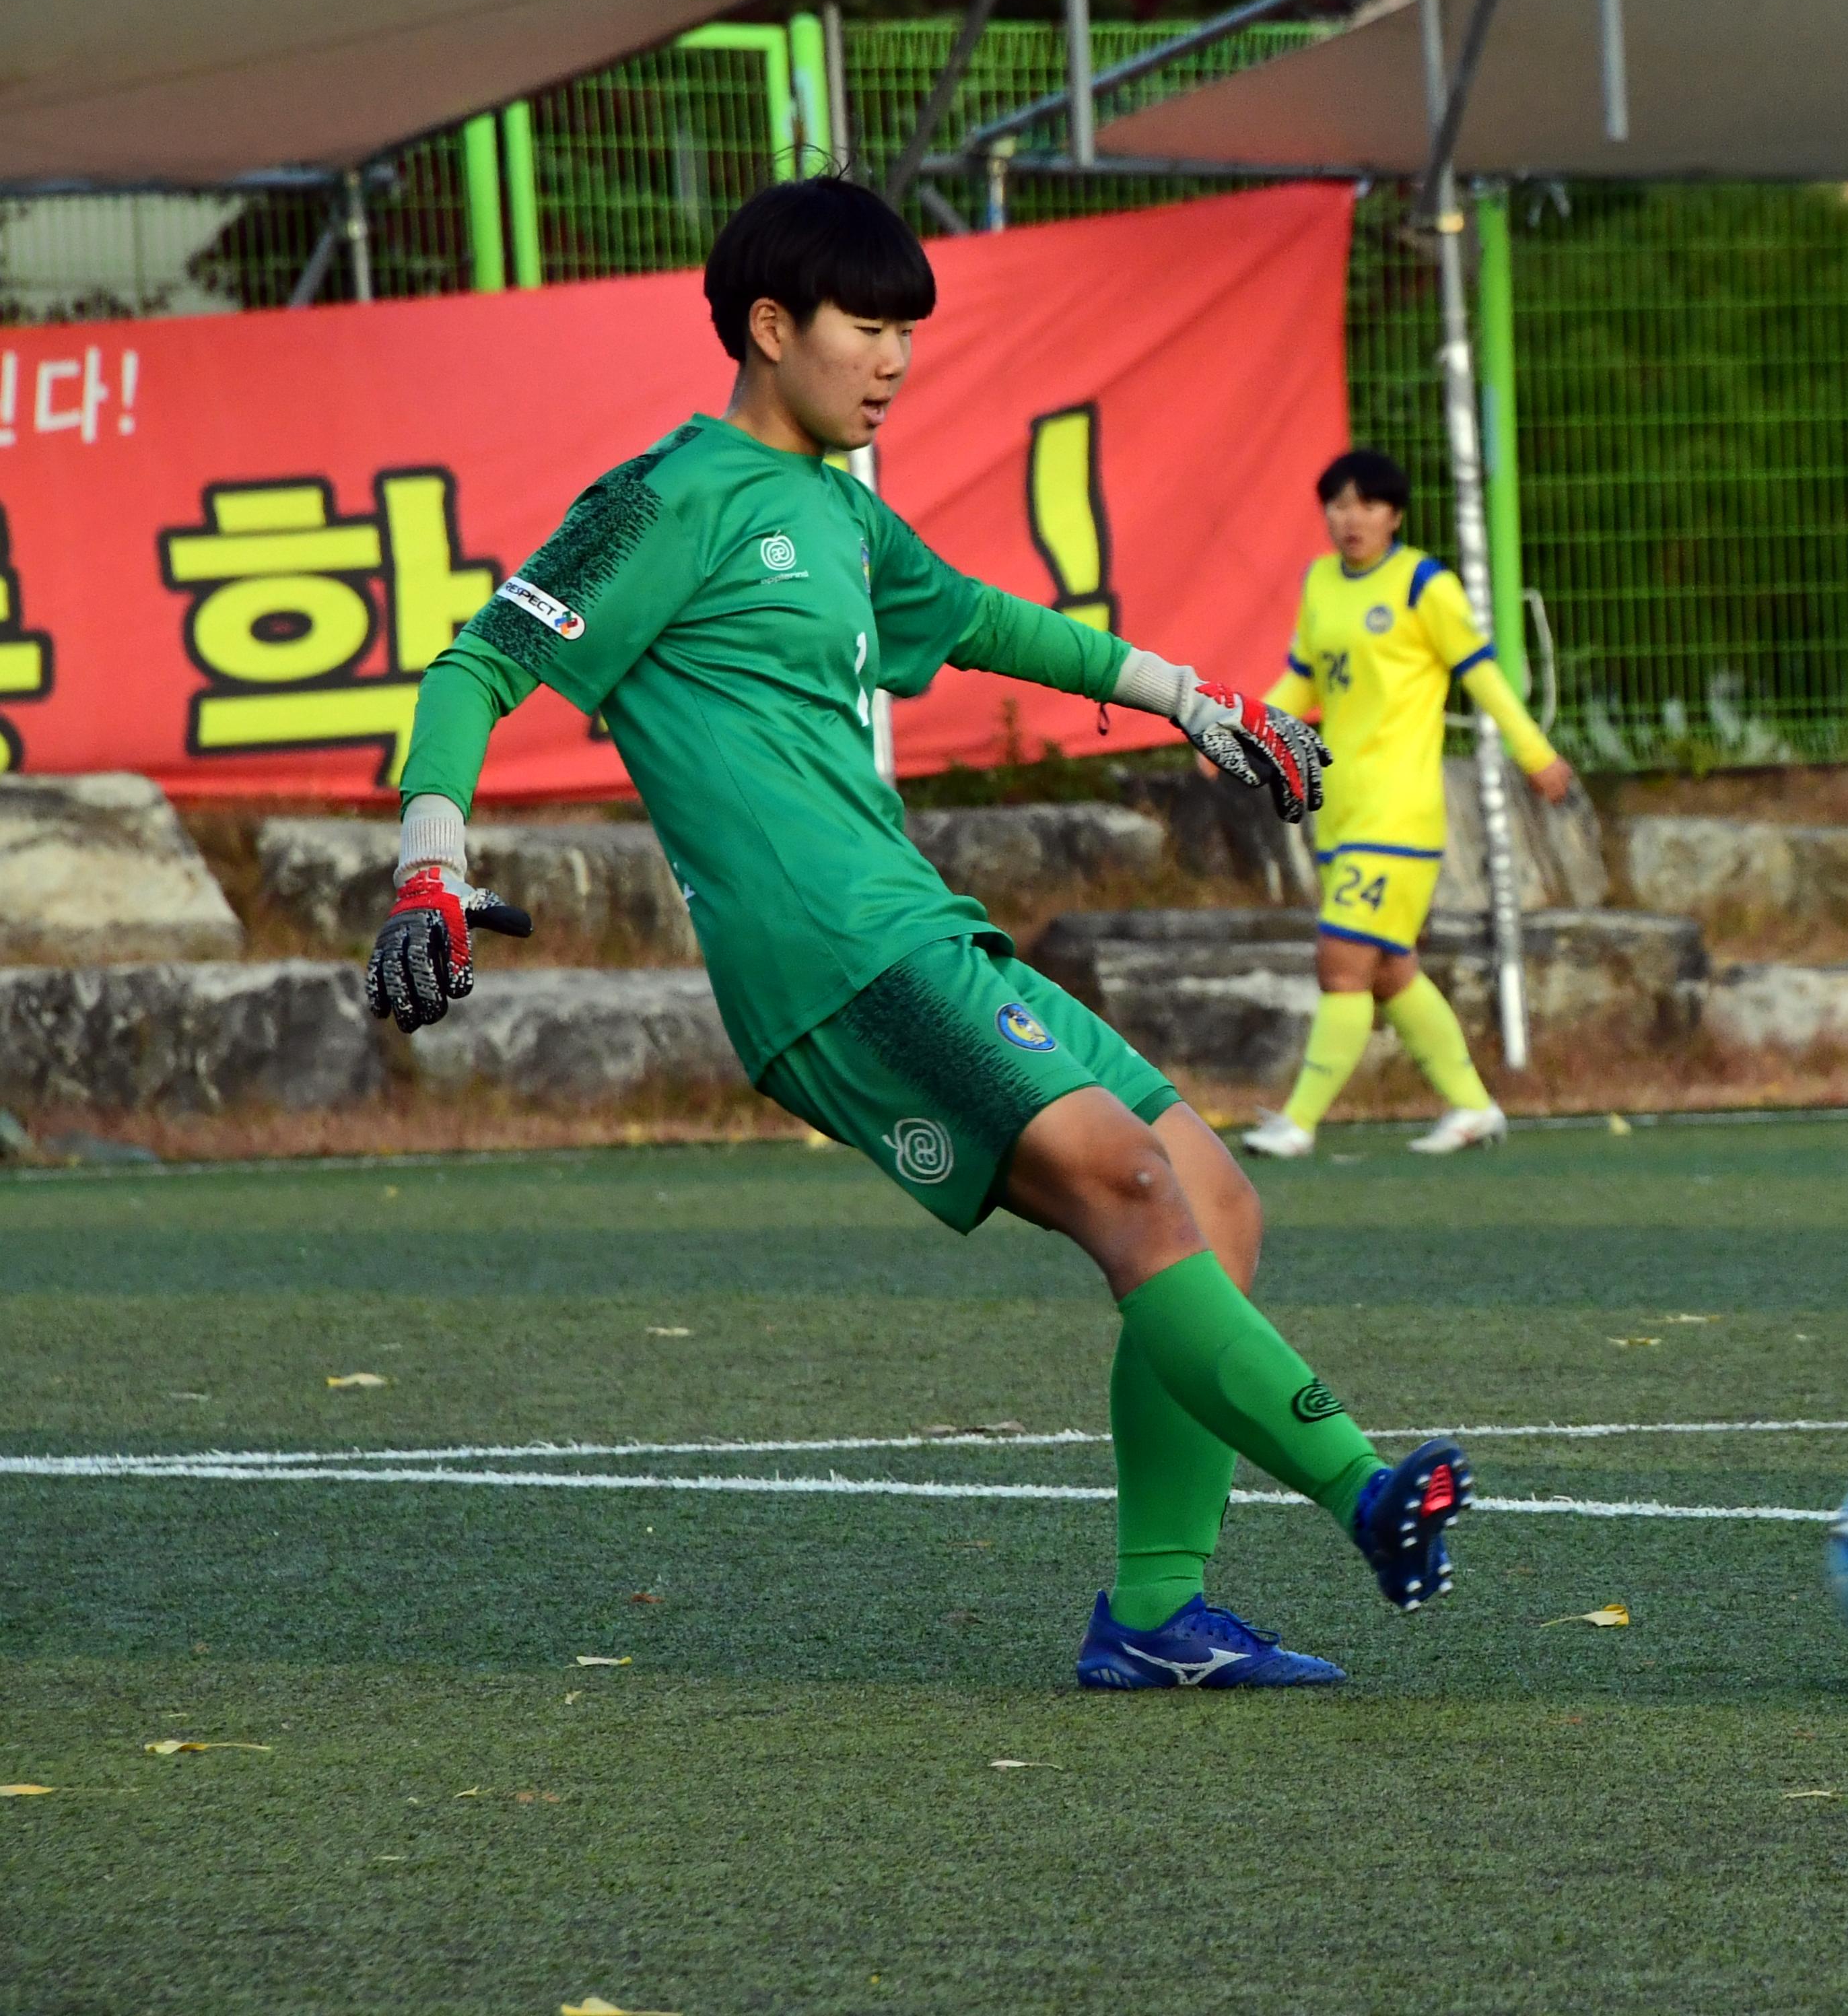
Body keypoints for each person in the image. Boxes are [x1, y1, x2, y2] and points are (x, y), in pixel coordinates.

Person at [363, 176, 1470, 1688]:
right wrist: (432, 856)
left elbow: (989, 620)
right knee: (1133, 1182)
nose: (894, 361)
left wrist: (1198, 703)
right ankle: (1365, 1487)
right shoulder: (667, 497)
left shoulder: (838, 502)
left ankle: (1156, 1617)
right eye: (866, 329)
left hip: (926, 933)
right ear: (770, 326)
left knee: (1216, 1202)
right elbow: (478, 664)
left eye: (908, 334)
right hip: (833, 962)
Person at [1238, 448, 1573, 1160]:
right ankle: (1474, 1107)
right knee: (1389, 970)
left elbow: (1480, 675)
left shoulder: (1425, 584)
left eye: (1366, 504)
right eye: (1337, 504)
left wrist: (1534, 753)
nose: (1349, 518)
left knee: (1340, 961)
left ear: (1395, 513)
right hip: (1342, 808)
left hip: (1400, 813)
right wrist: (1242, 733)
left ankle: (1298, 1121)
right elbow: (1305, 679)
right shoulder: (1322, 581)